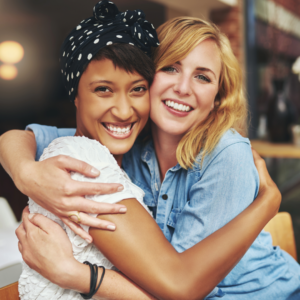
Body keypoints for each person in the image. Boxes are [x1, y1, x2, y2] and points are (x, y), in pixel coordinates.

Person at [0, 3, 295, 300]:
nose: (182, 87)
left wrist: (266, 205)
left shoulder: (225, 154)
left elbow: (182, 287)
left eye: (202, 77)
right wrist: (26, 173)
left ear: (217, 99)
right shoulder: (125, 138)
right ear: (150, 77)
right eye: (171, 68)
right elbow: (19, 138)